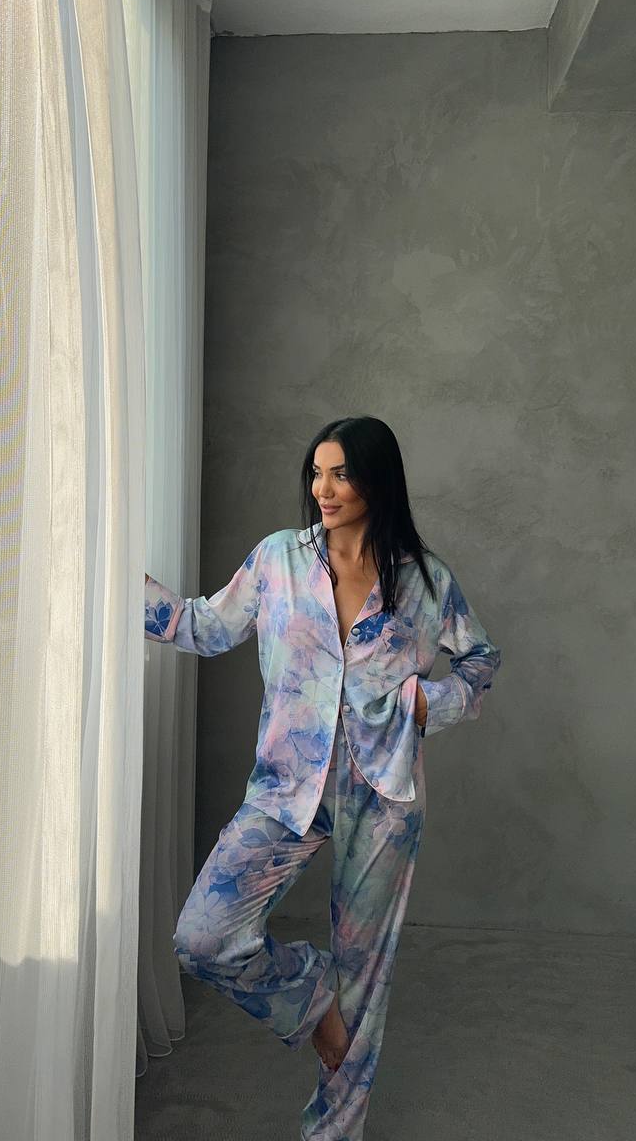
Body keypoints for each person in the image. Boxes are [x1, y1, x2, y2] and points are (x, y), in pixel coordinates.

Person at [144, 415, 503, 1140]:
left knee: (366, 969)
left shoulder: (425, 580)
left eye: (340, 473)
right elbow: (205, 626)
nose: (323, 488)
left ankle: (335, 1134)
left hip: (383, 792)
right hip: (286, 787)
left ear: (377, 479)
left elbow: (480, 660)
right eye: (317, 472)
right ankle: (314, 1003)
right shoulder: (280, 559)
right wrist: (112, 578)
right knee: (204, 936)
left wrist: (429, 703)